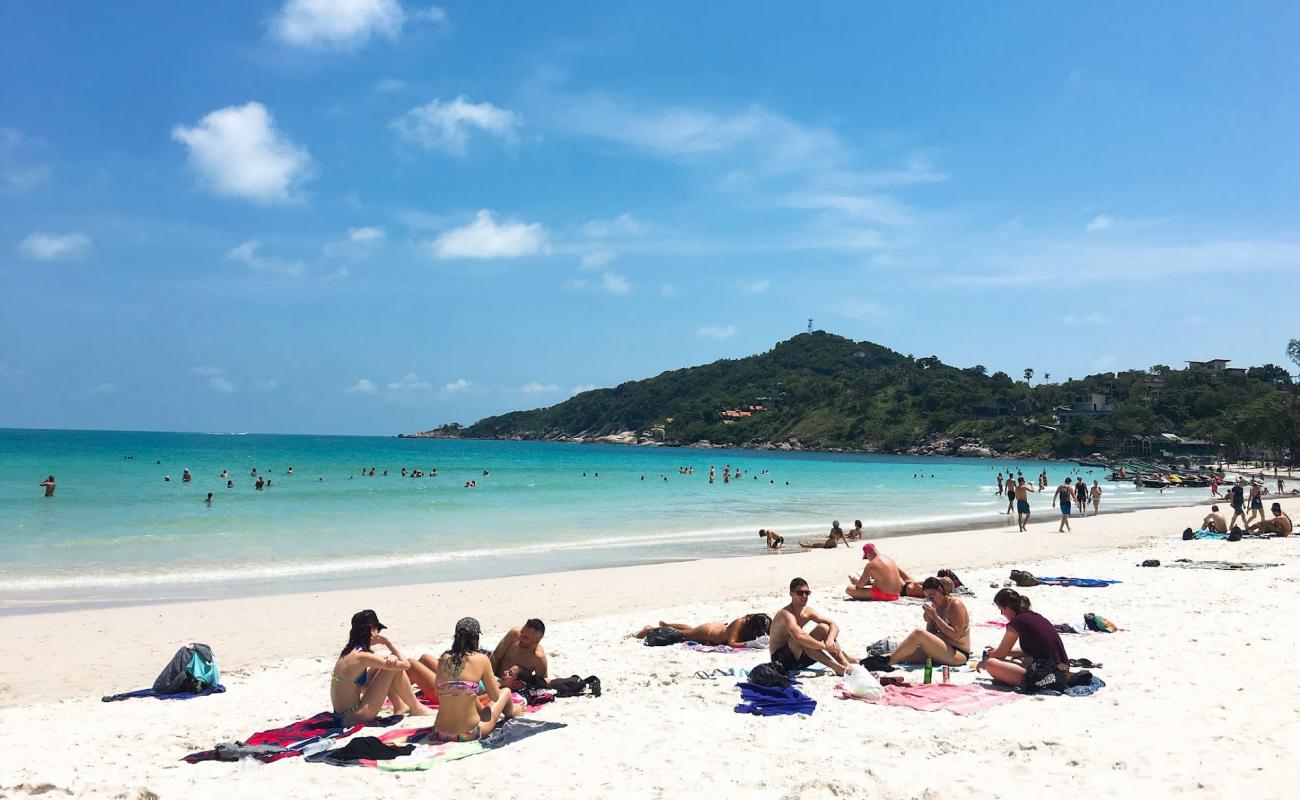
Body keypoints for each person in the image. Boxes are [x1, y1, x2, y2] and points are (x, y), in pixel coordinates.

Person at [408, 618, 519, 742]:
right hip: (468, 733)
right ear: (476, 638)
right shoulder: (482, 659)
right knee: (506, 692)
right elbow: (494, 696)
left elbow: (441, 692)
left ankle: (488, 710)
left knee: (464, 692)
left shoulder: (444, 658)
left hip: (439, 732)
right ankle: (513, 711)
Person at [330, 609, 430, 726]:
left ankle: (400, 706)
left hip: (340, 717)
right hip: (356, 716)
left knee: (389, 663)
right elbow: (406, 665)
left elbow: (375, 664)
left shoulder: (348, 653)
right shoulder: (362, 656)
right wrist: (388, 643)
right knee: (393, 666)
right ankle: (416, 707)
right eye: (378, 630)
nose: (379, 633)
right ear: (372, 630)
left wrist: (390, 657)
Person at [863, 577, 971, 670]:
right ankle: (868, 661)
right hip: (942, 649)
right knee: (901, 655)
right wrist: (930, 621)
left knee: (918, 633)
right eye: (928, 596)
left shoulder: (955, 604)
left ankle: (887, 662)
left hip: (958, 653)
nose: (930, 599)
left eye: (932, 595)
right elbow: (931, 634)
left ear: (940, 590)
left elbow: (956, 635)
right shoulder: (936, 606)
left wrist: (936, 617)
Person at [976, 588, 1069, 690]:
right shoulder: (1033, 616)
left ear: (1007, 607)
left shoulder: (1016, 622)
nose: (1002, 614)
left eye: (1001, 609)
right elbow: (1031, 649)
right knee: (1018, 658)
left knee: (991, 664)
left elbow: (1001, 654)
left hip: (1048, 674)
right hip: (1062, 669)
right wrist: (1001, 652)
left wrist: (985, 660)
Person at [769, 578, 853, 676]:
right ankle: (837, 667)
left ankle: (844, 664)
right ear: (791, 594)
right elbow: (799, 636)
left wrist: (830, 640)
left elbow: (833, 625)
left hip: (800, 658)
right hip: (781, 661)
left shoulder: (807, 611)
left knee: (823, 628)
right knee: (800, 638)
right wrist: (824, 647)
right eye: (800, 593)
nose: (804, 596)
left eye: (807, 593)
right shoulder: (786, 614)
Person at [634, 613, 770, 649]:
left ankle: (667, 624)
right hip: (709, 633)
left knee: (690, 631)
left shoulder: (759, 621)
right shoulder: (740, 623)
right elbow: (732, 643)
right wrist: (751, 644)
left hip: (715, 629)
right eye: (759, 632)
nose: (760, 634)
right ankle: (649, 629)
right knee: (681, 635)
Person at [491, 619, 549, 688]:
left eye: (525, 637)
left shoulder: (538, 659)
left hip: (510, 689)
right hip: (494, 678)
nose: (520, 638)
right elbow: (495, 656)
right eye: (522, 632)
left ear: (537, 640)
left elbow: (542, 684)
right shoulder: (514, 634)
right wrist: (491, 679)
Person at [845, 542, 911, 601]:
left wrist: (855, 582)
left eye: (866, 557)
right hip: (896, 594)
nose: (868, 559)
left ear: (868, 554)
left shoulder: (871, 564)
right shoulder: (888, 558)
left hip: (887, 595)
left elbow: (860, 585)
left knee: (849, 589)